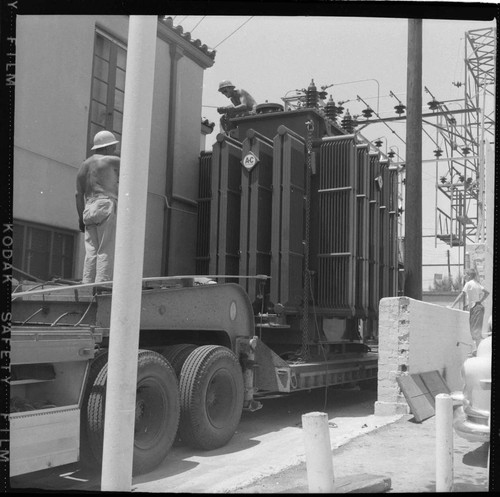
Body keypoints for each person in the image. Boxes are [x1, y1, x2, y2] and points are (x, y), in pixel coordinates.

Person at [76, 130, 120, 284]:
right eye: (113, 147)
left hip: (88, 207)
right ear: (107, 147)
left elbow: (78, 194)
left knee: (91, 251)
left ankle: (87, 285)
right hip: (104, 204)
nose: (114, 150)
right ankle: (101, 286)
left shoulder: (83, 166)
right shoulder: (111, 160)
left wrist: (81, 218)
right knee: (105, 248)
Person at [449, 268, 490, 349]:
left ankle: (477, 349)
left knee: (475, 330)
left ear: (469, 275)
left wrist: (452, 305)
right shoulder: (477, 284)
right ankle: (477, 349)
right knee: (476, 329)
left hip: (475, 308)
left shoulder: (468, 283)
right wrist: (480, 301)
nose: (464, 276)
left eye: (465, 274)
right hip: (479, 307)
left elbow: (462, 294)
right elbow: (487, 293)